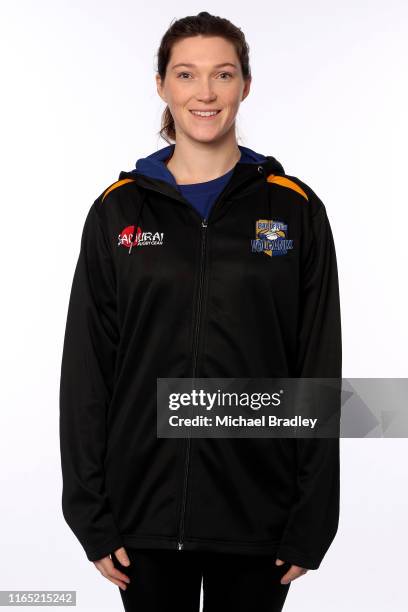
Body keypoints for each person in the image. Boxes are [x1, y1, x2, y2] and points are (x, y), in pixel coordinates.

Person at [59, 11, 342, 612]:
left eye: (223, 74)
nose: (205, 93)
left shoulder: (294, 210)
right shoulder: (117, 212)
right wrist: (90, 511)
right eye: (186, 74)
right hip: (143, 518)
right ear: (161, 84)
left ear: (245, 84)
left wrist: (313, 514)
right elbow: (87, 369)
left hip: (260, 516)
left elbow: (317, 363)